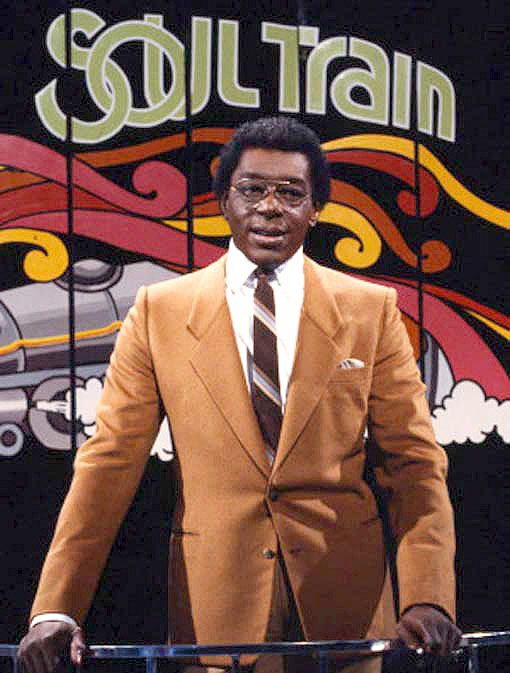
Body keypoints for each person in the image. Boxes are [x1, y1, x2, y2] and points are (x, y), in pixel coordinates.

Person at [18, 116, 461, 673]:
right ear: (224, 201)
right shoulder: (159, 312)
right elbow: (108, 465)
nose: (270, 207)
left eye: (291, 193)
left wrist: (428, 595)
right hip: (216, 614)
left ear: (316, 209)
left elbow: (414, 464)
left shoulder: (370, 310)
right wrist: (55, 609)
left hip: (346, 614)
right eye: (252, 190)